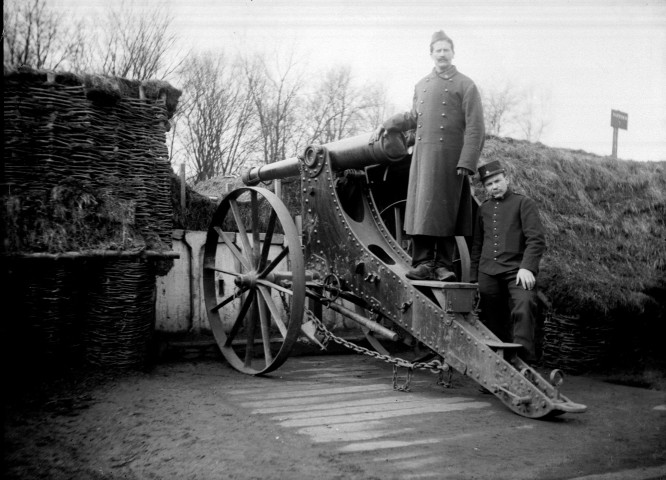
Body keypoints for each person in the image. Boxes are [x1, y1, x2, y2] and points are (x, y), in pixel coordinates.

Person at [372, 30, 485, 281]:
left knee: (447, 210)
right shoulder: (421, 85)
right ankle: (423, 262)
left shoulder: (466, 85)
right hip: (423, 159)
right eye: (438, 50)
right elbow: (414, 116)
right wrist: (389, 123)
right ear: (431, 54)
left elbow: (476, 127)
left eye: (446, 50)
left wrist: (467, 161)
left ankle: (443, 265)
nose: (442, 54)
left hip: (451, 159)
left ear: (453, 53)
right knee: (422, 209)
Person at [470, 160, 546, 362]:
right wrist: (473, 279)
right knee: (492, 319)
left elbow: (536, 240)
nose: (494, 186)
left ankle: (523, 362)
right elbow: (477, 245)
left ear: (507, 180)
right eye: (489, 184)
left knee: (524, 305)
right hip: (488, 273)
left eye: (497, 181)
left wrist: (527, 268)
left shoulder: (523, 203)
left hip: (517, 271)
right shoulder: (483, 209)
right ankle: (495, 364)